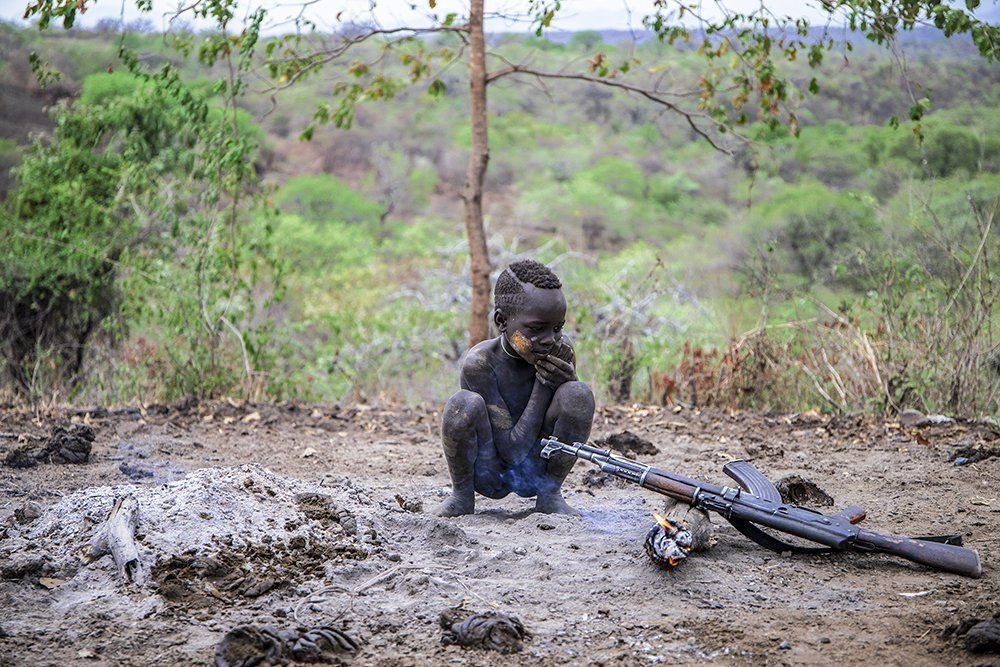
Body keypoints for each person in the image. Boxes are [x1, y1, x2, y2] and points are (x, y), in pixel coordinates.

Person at [436, 259, 595, 517]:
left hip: (537, 470)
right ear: (501, 321)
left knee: (578, 395)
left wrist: (569, 379)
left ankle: (550, 495)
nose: (550, 340)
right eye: (536, 329)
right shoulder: (480, 363)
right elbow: (511, 452)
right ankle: (461, 497)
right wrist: (544, 384)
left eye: (557, 328)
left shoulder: (559, 351)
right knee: (461, 405)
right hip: (491, 471)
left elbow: (572, 415)